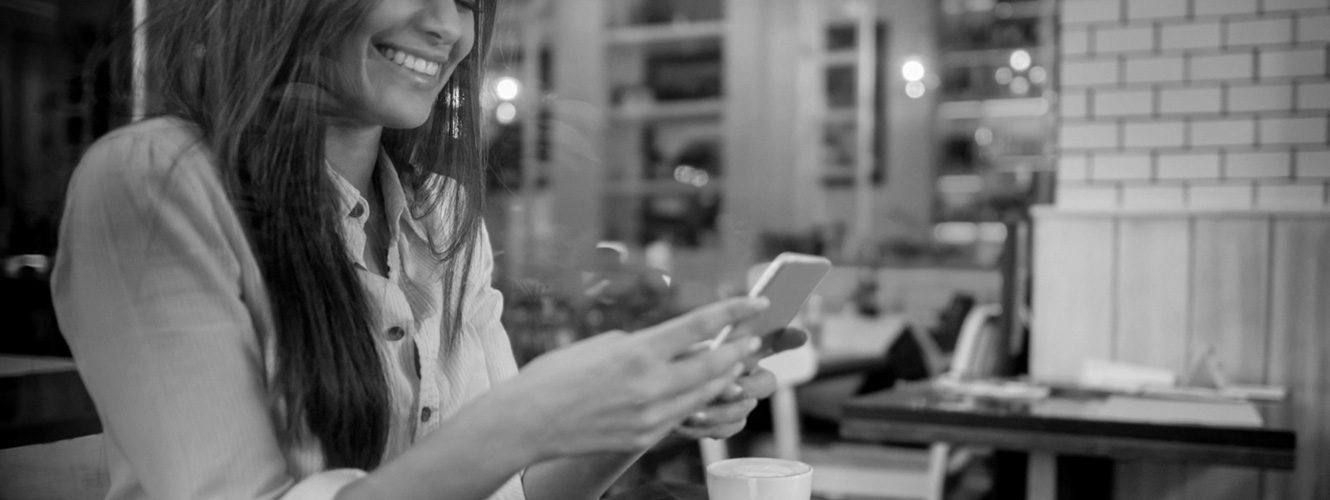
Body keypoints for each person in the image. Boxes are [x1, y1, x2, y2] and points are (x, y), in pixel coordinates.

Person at [50, 1, 806, 499]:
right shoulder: (156, 183)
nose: (449, 25)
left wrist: (653, 408)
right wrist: (527, 418)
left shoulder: (442, 217)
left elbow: (516, 488)